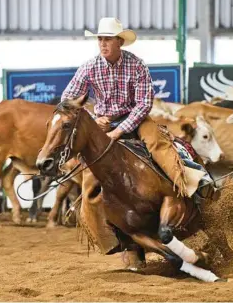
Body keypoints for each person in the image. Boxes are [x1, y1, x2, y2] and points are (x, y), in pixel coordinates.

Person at [60, 18, 216, 258]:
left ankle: (190, 186)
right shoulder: (89, 67)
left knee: (158, 144)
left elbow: (144, 104)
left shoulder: (136, 65)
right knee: (90, 176)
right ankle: (109, 235)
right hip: (104, 122)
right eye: (100, 39)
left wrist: (119, 130)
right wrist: (93, 116)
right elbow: (68, 99)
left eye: (108, 39)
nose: (103, 44)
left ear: (120, 42)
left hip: (136, 119)